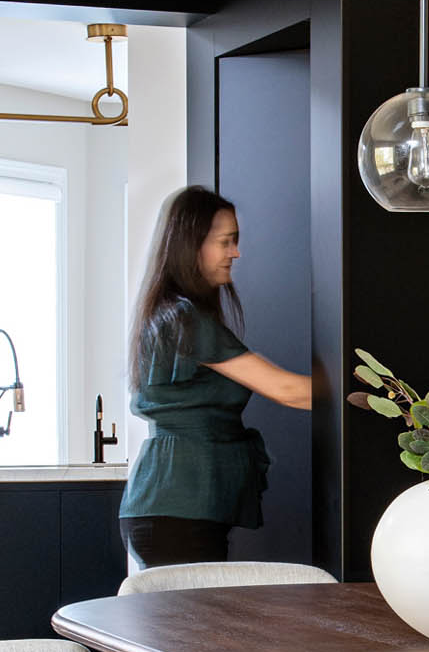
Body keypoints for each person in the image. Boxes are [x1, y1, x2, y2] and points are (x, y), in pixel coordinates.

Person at [120, 185, 312, 570]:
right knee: (189, 629)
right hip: (178, 508)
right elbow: (289, 391)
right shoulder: (185, 319)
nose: (235, 253)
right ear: (191, 246)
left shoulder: (175, 314)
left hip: (172, 505)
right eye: (227, 241)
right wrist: (378, 393)